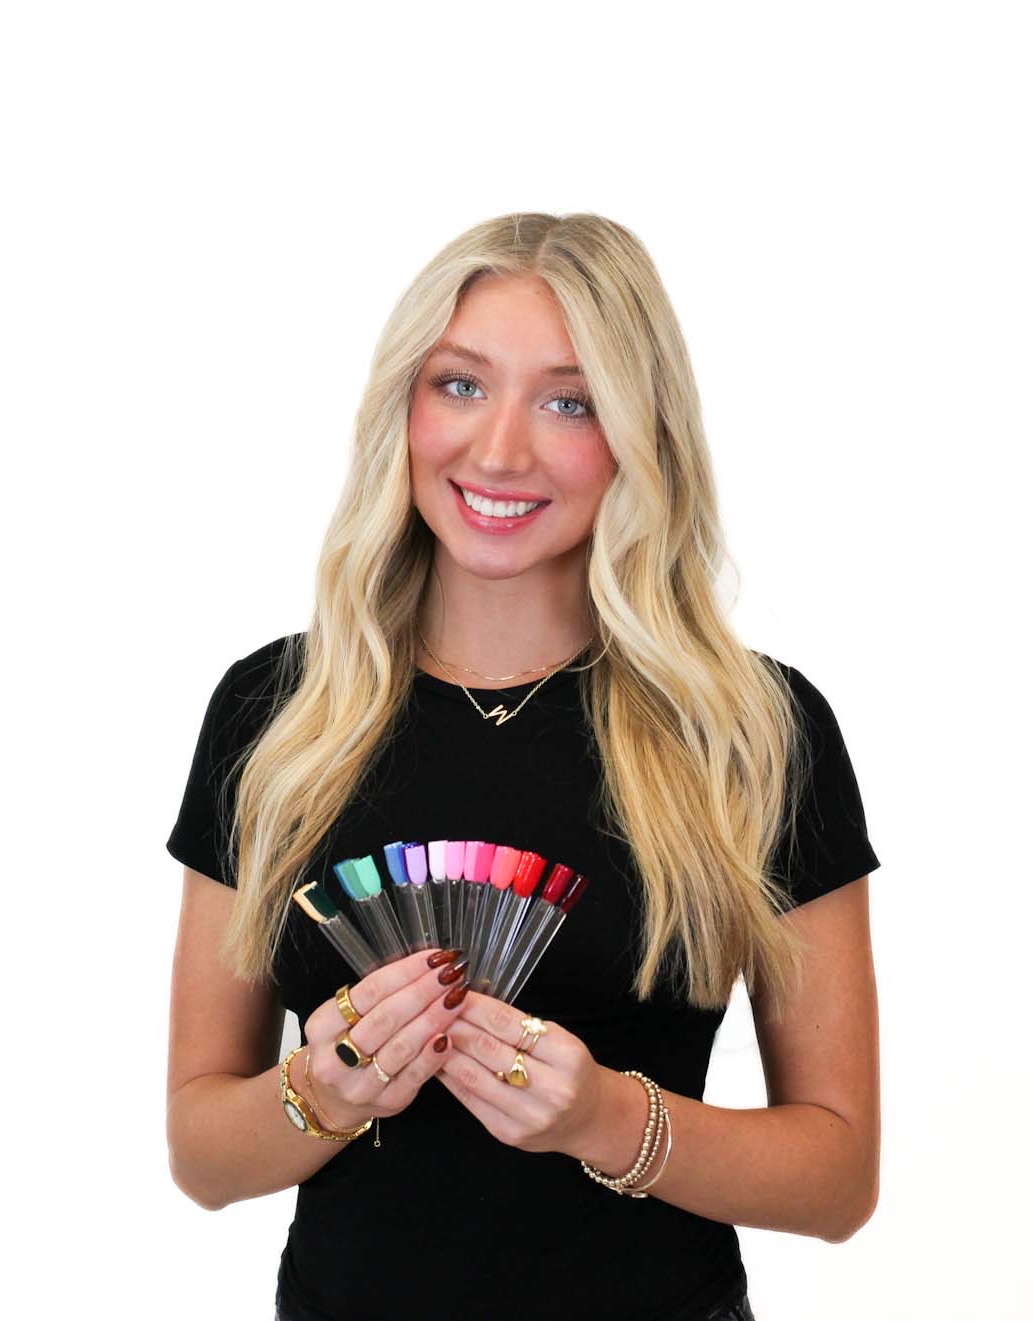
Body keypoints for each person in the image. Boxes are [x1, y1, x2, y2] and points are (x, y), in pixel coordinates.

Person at [164, 212, 881, 1321]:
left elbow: (836, 1179)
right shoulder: (274, 714)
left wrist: (605, 1120)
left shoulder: (754, 730)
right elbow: (203, 1155)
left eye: (569, 400)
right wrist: (321, 1093)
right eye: (458, 385)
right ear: (399, 406)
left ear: (641, 435)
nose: (499, 450)